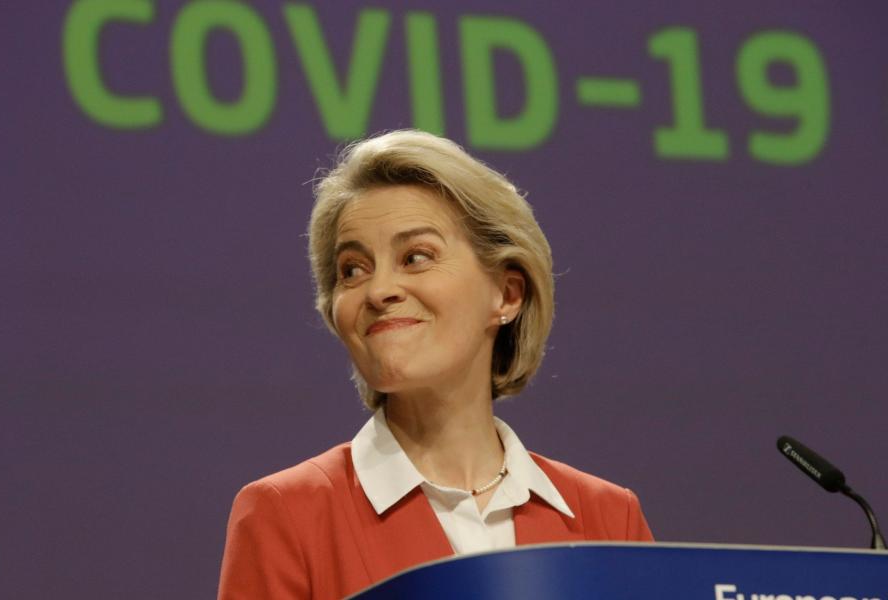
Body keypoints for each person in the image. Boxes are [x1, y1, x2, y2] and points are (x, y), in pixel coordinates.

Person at [217, 130, 652, 599]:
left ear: (506, 294)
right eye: (353, 269)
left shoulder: (609, 519)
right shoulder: (287, 515)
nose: (379, 289)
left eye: (416, 257)